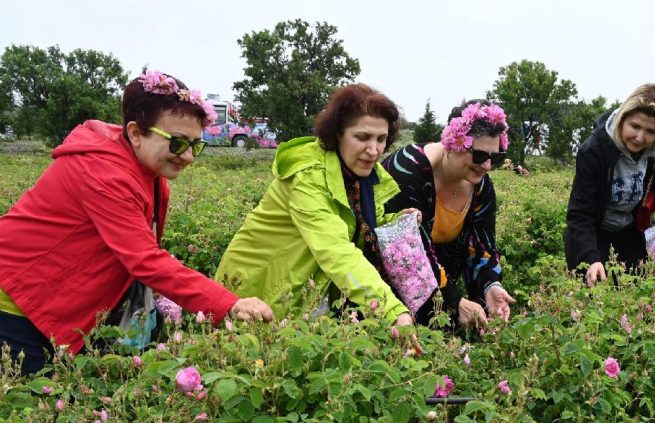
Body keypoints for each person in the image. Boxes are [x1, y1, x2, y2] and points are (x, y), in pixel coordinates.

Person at [0, 70, 273, 375]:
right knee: (28, 406)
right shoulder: (104, 173)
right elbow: (145, 260)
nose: (188, 158)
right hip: (18, 298)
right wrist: (228, 304)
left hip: (53, 296)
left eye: (196, 145)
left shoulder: (149, 174)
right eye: (177, 143)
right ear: (135, 133)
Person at [215, 84, 415, 328]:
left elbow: (357, 223)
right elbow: (335, 249)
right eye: (362, 137)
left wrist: (393, 222)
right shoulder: (309, 175)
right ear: (338, 133)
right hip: (260, 285)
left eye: (381, 139)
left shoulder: (363, 178)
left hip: (304, 283)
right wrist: (392, 311)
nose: (373, 150)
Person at [382, 100, 515, 328]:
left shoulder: (480, 185)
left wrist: (490, 286)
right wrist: (455, 301)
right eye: (480, 155)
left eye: (496, 157)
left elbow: (482, 246)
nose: (487, 166)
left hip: (440, 284)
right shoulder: (407, 170)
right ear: (454, 142)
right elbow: (407, 256)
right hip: (390, 288)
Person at [564, 83, 655, 288]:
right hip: (594, 229)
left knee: (642, 288)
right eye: (634, 126)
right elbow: (580, 214)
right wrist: (592, 258)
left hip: (631, 225)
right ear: (622, 118)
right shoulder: (594, 150)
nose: (639, 137)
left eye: (650, 131)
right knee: (592, 292)